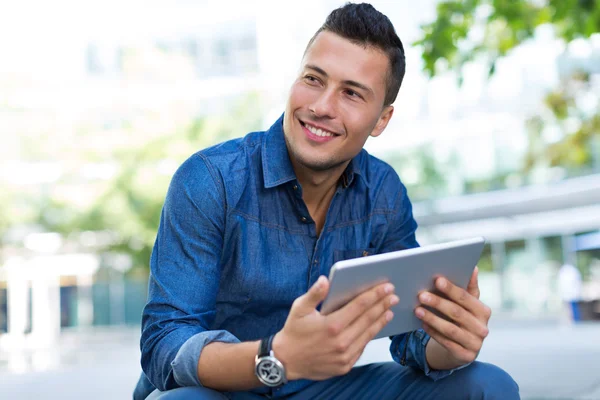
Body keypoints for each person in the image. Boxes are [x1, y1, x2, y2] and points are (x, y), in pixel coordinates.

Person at [134, 3, 519, 399]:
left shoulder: (383, 192)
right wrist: (277, 357)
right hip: (224, 388)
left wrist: (449, 346)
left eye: (351, 93)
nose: (321, 107)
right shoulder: (211, 179)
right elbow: (165, 346)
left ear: (382, 120)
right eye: (314, 79)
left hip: (324, 390)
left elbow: (409, 336)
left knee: (487, 385)